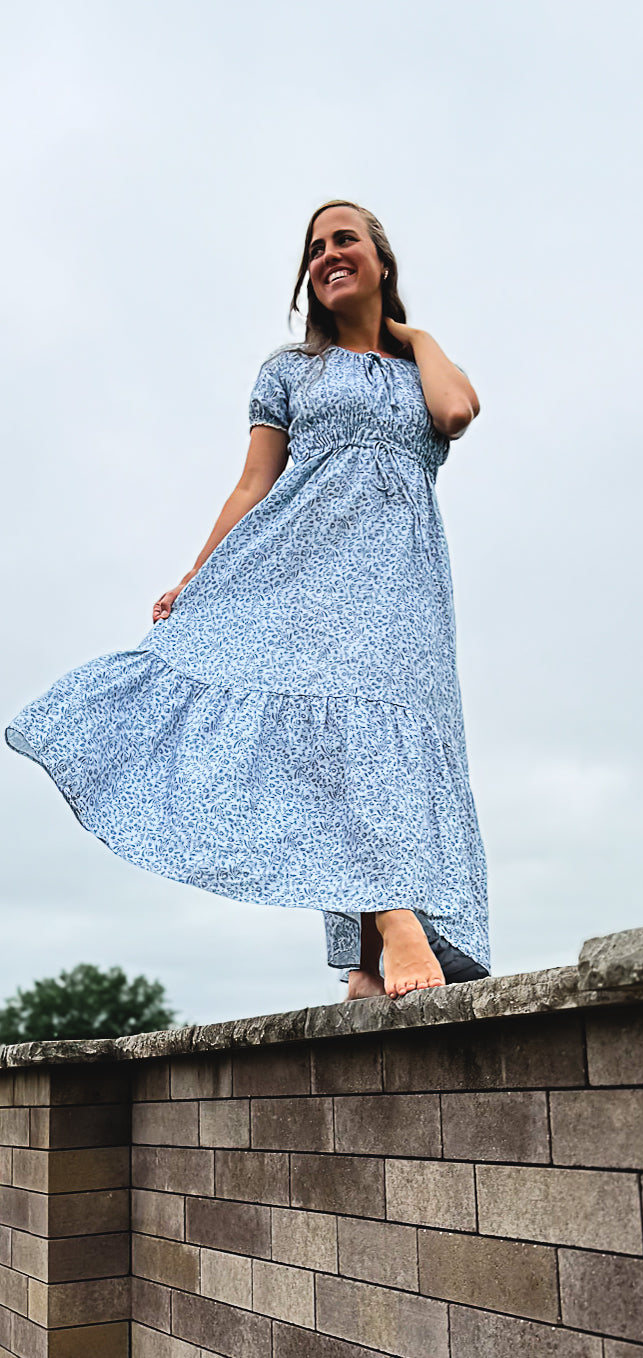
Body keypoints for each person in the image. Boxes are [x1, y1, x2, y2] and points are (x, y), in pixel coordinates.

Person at [5, 198, 491, 1002]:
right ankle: (397, 920)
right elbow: (252, 484)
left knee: (390, 730)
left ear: (380, 259)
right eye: (314, 248)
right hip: (302, 567)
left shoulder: (420, 366)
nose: (328, 255)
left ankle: (364, 959)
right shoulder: (290, 370)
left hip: (403, 581)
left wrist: (415, 336)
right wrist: (197, 576)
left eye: (345, 241)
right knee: (345, 725)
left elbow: (457, 412)